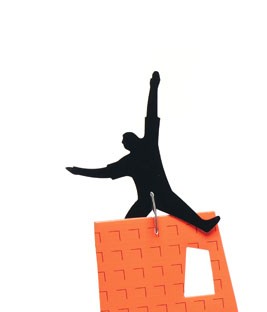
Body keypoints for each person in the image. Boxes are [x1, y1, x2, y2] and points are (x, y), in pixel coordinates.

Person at [67, 72, 220, 232]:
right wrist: (79, 171)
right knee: (127, 228)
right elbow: (104, 172)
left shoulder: (148, 144)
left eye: (124, 140)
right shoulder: (130, 160)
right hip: (150, 198)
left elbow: (151, 114)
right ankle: (203, 225)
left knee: (130, 227)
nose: (123, 143)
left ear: (132, 139)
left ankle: (203, 225)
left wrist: (154, 87)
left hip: (160, 195)